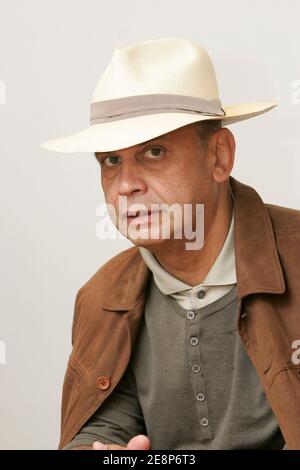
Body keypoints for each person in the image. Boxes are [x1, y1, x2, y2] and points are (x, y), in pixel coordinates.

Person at [41, 37, 300, 450]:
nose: (126, 185)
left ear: (219, 157)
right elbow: (103, 425)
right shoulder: (102, 297)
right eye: (110, 160)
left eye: (154, 152)